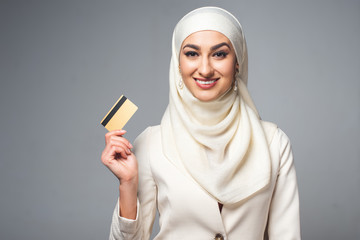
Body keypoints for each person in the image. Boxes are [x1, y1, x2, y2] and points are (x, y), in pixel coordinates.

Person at [101, 6, 301, 240]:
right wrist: (127, 184)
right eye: (192, 54)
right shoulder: (152, 143)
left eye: (219, 54)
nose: (205, 69)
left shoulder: (274, 144)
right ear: (178, 62)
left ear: (237, 62)